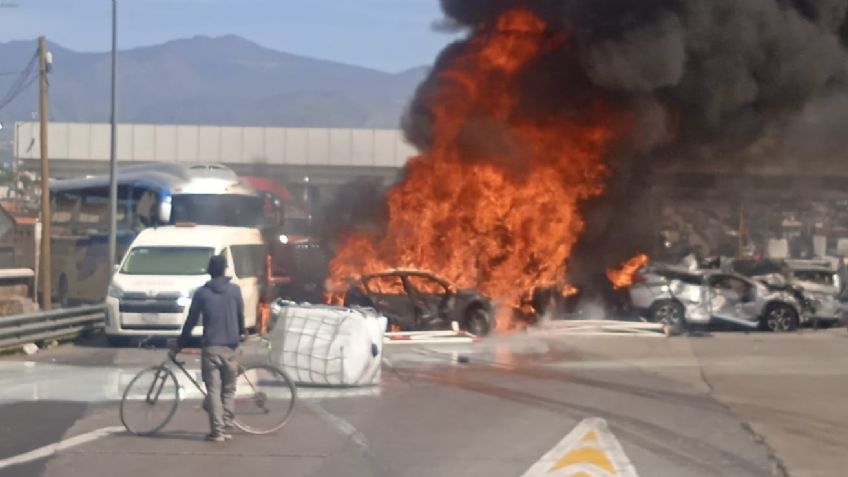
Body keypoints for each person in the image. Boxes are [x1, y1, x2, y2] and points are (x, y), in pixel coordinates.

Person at [172, 254, 246, 442]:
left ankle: (217, 431)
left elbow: (191, 321)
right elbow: (240, 316)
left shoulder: (202, 293)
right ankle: (227, 423)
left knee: (213, 389)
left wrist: (180, 342)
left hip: (211, 347)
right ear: (225, 270)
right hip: (231, 346)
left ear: (209, 271)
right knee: (228, 388)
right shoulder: (235, 291)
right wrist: (242, 333)